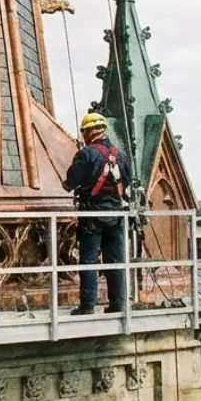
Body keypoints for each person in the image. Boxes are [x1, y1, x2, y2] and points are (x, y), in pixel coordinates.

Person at [63, 112, 134, 314]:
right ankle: (118, 303)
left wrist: (69, 182)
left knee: (89, 260)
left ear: (90, 131)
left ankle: (87, 305)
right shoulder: (120, 155)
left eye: (84, 131)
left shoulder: (86, 153)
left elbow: (71, 182)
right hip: (116, 215)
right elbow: (126, 180)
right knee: (115, 260)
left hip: (92, 214)